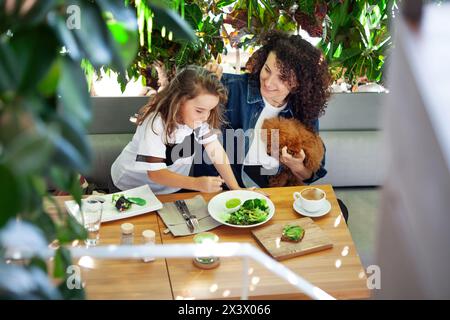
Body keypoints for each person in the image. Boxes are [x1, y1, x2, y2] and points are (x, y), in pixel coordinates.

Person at [199, 30, 330, 189]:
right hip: (223, 185)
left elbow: (311, 175)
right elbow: (183, 102)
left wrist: (297, 166)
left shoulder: (304, 111)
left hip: (272, 188)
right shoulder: (230, 87)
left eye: (282, 78)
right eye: (267, 70)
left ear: (298, 84)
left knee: (340, 208)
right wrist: (203, 81)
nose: (268, 83)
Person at [110, 65, 242, 194]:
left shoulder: (198, 119)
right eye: (200, 110)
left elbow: (216, 151)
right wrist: (196, 183)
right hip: (131, 187)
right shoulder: (155, 123)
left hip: (169, 189)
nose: (205, 116)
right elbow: (155, 173)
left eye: (210, 110)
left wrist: (236, 189)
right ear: (179, 101)